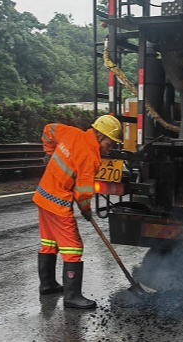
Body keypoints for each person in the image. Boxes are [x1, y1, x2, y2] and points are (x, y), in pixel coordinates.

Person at [33, 115, 122, 309]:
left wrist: (49, 154)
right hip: (57, 203)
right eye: (110, 142)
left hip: (43, 196)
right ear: (99, 136)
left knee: (49, 242)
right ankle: (72, 297)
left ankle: (47, 285)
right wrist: (86, 211)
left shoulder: (72, 133)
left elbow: (49, 128)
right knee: (73, 247)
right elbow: (83, 193)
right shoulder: (89, 157)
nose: (111, 147)